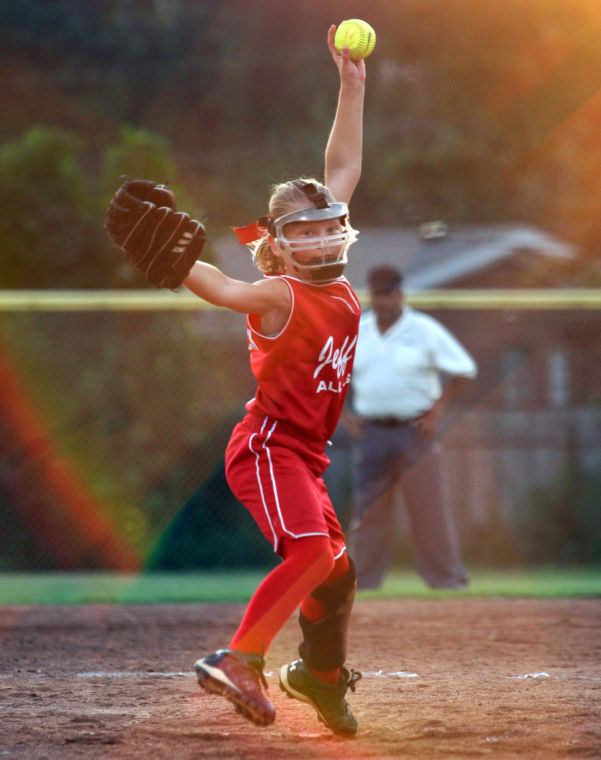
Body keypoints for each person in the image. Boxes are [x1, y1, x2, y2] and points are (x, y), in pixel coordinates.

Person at [187, 27, 366, 736]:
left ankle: (317, 679)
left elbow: (343, 163)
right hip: (267, 447)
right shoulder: (280, 292)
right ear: (281, 244)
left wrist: (351, 88)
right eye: (307, 232)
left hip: (303, 455)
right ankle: (240, 659)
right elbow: (226, 289)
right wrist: (174, 261)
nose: (323, 239)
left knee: (338, 573)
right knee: (313, 554)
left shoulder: (332, 278)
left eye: (330, 227)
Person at [344, 265, 477, 590]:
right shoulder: (358, 332)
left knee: (429, 511)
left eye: (389, 294)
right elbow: (332, 378)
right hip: (372, 433)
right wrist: (343, 416)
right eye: (378, 295)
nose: (384, 301)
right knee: (369, 511)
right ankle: (362, 583)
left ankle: (447, 580)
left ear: (400, 295)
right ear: (371, 296)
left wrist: (437, 410)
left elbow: (464, 371)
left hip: (415, 432)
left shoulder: (424, 330)